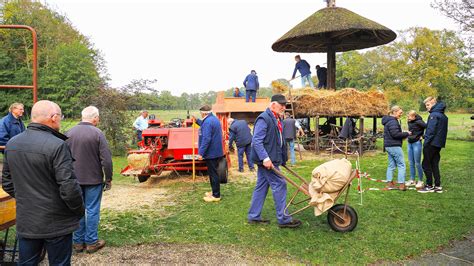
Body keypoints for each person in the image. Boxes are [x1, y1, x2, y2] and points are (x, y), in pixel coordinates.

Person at [2, 100, 84, 265]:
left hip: (28, 220)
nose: (60, 121)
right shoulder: (58, 145)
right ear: (54, 117)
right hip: (56, 223)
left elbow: (7, 183)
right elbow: (68, 187)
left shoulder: (12, 144)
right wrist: (79, 210)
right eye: (60, 117)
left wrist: (28, 199)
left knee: (27, 263)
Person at [248, 94, 301, 228]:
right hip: (267, 161)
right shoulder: (264, 119)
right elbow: (257, 141)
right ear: (273, 105)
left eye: (285, 105)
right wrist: (265, 158)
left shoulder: (277, 118)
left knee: (261, 186)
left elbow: (278, 141)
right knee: (280, 184)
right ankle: (284, 219)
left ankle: (253, 216)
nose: (284, 107)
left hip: (273, 159)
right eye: (281, 105)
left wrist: (282, 158)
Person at [65, 106, 113, 254]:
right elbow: (107, 160)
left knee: (77, 210)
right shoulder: (97, 133)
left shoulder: (69, 133)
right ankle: (92, 242)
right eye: (98, 118)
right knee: (92, 211)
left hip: (74, 180)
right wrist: (109, 178)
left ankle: (78, 242)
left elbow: (63, 157)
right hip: (94, 179)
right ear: (94, 118)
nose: (98, 120)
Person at [418, 97, 448, 193]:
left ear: (433, 103)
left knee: (426, 164)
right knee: (434, 163)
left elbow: (431, 131)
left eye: (428, 105)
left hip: (431, 143)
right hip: (438, 144)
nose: (427, 107)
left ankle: (429, 185)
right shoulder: (442, 115)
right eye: (426, 105)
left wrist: (426, 143)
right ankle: (438, 186)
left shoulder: (434, 115)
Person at [196, 105, 224, 202]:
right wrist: (197, 121)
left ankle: (216, 195)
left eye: (201, 113)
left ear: (204, 113)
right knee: (213, 173)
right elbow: (204, 125)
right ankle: (214, 191)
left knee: (213, 174)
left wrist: (201, 153)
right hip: (215, 151)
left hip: (211, 152)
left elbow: (206, 138)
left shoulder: (208, 122)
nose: (201, 115)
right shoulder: (213, 119)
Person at [381, 105, 411, 191]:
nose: (401, 114)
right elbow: (395, 134)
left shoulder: (389, 121)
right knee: (401, 165)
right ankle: (402, 185)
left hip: (388, 146)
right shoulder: (393, 122)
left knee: (391, 165)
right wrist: (406, 133)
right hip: (394, 146)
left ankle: (389, 184)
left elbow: (394, 134)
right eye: (400, 113)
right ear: (394, 112)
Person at [406, 110, 426, 189]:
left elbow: (428, 127)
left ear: (414, 116)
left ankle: (420, 180)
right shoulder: (410, 121)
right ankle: (412, 180)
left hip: (417, 143)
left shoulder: (419, 122)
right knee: (411, 162)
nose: (408, 118)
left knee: (417, 163)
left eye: (409, 116)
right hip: (409, 143)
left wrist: (423, 136)